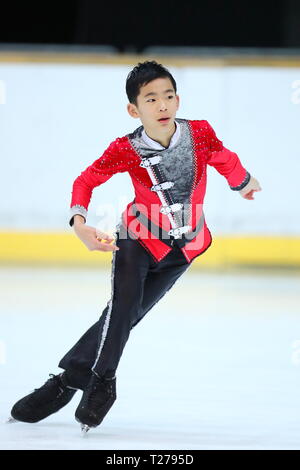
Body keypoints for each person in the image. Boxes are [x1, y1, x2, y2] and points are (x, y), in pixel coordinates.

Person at [9, 60, 262, 434]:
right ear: (134, 109)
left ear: (178, 101)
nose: (162, 105)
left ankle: (64, 382)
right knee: (123, 307)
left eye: (168, 96)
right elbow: (86, 180)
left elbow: (224, 157)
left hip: (184, 248)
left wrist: (243, 183)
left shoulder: (200, 133)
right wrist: (79, 223)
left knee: (124, 317)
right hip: (135, 238)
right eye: (151, 99)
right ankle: (103, 382)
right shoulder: (126, 148)